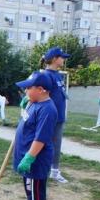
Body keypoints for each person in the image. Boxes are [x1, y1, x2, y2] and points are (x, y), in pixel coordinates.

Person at [12, 71, 58, 200]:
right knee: (30, 191)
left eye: (28, 89)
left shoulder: (47, 110)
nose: (25, 92)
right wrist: (25, 107)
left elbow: (41, 138)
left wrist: (29, 157)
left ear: (41, 89)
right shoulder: (34, 102)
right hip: (26, 155)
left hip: (35, 160)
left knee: (36, 192)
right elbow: (26, 121)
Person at [41, 47, 70, 183]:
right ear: (54, 59)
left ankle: (54, 171)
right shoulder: (46, 76)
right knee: (45, 144)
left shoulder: (58, 75)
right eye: (62, 57)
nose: (64, 59)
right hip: (50, 118)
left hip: (59, 117)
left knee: (56, 144)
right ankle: (45, 170)